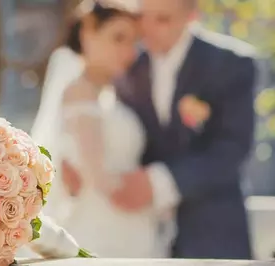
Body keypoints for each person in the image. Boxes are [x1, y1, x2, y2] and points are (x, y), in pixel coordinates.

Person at [64, 0, 257, 259]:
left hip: (212, 234)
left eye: (163, 19)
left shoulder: (231, 64)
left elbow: (232, 149)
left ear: (191, 15)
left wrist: (159, 183)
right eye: (143, 17)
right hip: (133, 232)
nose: (148, 29)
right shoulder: (126, 65)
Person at [38, 0, 173, 258]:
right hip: (104, 227)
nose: (129, 51)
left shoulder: (113, 95)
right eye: (118, 38)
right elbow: (97, 175)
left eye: (134, 41)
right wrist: (153, 193)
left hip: (127, 225)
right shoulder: (80, 92)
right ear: (88, 32)